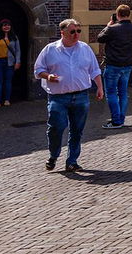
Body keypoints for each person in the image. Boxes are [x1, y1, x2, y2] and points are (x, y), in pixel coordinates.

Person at [33, 19, 104, 172]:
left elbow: (94, 70)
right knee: (56, 128)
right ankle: (53, 155)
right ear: (63, 32)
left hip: (81, 96)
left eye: (78, 31)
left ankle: (72, 161)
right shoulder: (50, 50)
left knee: (77, 130)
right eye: (72, 31)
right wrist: (48, 76)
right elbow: (38, 70)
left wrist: (100, 87)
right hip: (58, 98)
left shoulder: (85, 49)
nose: (76, 34)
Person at [96, 4, 132, 130]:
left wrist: (108, 26)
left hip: (113, 65)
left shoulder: (112, 29)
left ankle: (116, 121)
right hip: (127, 65)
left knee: (111, 93)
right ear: (128, 14)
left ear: (118, 15)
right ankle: (121, 118)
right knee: (123, 93)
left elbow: (100, 38)